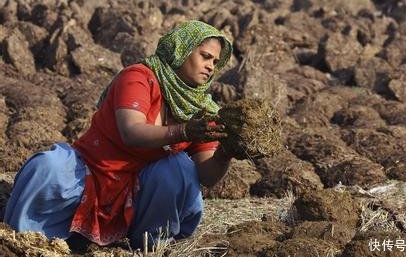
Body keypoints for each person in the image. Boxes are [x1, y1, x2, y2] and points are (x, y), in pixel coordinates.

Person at [4, 20, 234, 249]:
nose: (211, 67)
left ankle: (152, 243)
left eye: (215, 62)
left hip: (141, 192)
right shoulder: (139, 77)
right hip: (91, 172)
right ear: (180, 49)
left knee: (180, 169)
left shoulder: (203, 110)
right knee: (48, 166)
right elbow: (131, 132)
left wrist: (225, 153)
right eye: (205, 56)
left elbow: (207, 176)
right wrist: (183, 131)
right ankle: (26, 241)